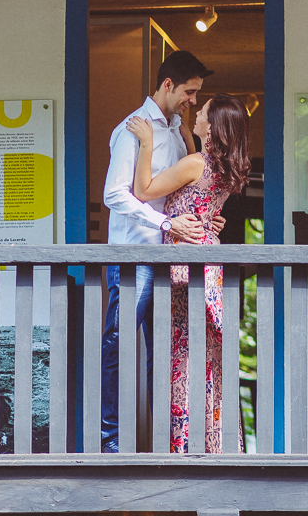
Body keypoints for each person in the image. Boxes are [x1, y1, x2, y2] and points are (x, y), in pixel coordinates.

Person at [100, 50, 217, 454]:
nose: (194, 101)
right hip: (135, 259)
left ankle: (165, 445)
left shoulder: (175, 130)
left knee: (164, 353)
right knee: (118, 345)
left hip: (170, 260)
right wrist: (166, 224)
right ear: (168, 85)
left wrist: (204, 220)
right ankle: (111, 443)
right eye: (189, 92)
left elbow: (182, 191)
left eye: (198, 94)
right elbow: (115, 194)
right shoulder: (133, 129)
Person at [126, 93, 251, 453]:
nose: (196, 113)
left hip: (185, 263)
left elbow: (143, 190)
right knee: (207, 356)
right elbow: (203, 207)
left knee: (180, 355)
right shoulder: (223, 167)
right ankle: (214, 442)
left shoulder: (196, 163)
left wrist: (148, 144)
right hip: (208, 260)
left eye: (204, 110)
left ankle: (183, 446)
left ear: (212, 126)